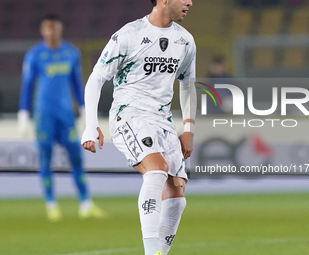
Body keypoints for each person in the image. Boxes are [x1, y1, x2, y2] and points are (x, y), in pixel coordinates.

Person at [81, 0, 196, 254]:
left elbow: (188, 85)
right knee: (156, 171)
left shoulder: (185, 41)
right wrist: (91, 125)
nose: (190, 2)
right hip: (129, 116)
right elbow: (96, 78)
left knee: (177, 196)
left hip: (163, 121)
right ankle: (150, 252)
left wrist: (188, 129)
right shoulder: (128, 35)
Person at [18, 14, 106, 222]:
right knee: (45, 159)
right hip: (44, 116)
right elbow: (27, 87)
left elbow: (77, 83)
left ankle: (86, 204)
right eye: (47, 28)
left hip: (66, 115)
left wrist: (85, 111)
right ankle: (51, 204)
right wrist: (24, 114)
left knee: (77, 156)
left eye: (54, 28)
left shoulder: (71, 53)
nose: (51, 32)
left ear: (60, 29)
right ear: (42, 30)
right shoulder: (34, 55)